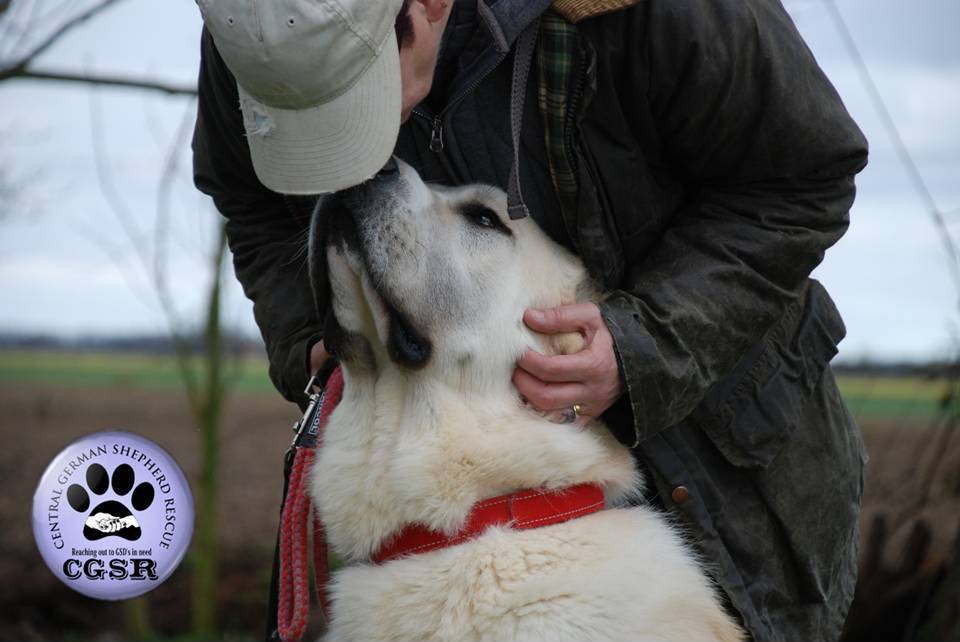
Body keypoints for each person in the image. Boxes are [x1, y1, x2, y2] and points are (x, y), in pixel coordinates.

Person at [192, 0, 868, 639]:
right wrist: (311, 334)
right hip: (436, 528)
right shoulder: (270, 29)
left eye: (354, 101)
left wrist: (647, 345)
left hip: (735, 463)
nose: (351, 160)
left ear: (425, 5)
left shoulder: (667, 12)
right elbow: (249, 197)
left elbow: (805, 175)